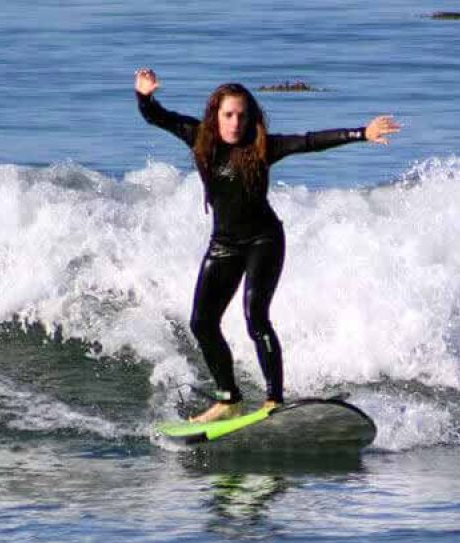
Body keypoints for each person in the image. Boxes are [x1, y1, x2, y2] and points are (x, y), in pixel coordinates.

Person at [134, 68, 400, 423]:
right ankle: (228, 399)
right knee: (201, 322)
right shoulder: (198, 136)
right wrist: (145, 95)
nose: (235, 122)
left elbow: (309, 141)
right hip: (224, 244)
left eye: (242, 115)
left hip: (265, 240)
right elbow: (157, 117)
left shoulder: (261, 148)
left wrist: (361, 134)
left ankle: (274, 400)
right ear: (215, 115)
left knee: (255, 317)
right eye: (228, 114)